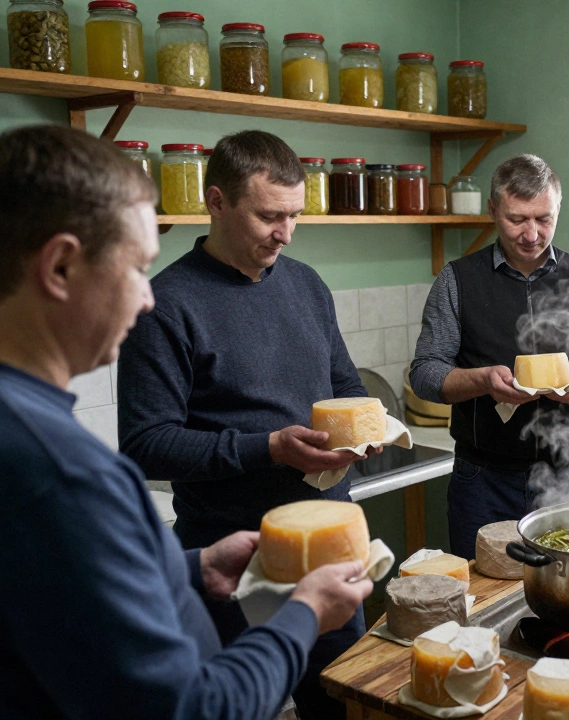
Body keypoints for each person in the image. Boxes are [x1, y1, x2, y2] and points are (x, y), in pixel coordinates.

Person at [0, 125, 372, 719]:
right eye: (135, 267)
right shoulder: (64, 474)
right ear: (60, 269)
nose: (148, 298)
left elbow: (48, 588)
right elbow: (193, 709)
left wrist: (189, 566)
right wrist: (302, 613)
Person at [118, 130, 375, 719]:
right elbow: (145, 446)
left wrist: (367, 433)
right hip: (228, 561)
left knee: (342, 703)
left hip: (330, 549)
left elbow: (348, 389)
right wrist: (270, 449)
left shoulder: (307, 284)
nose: (284, 234)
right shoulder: (166, 305)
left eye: (294, 217)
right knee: (233, 709)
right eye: (268, 217)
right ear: (216, 202)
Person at [409, 154, 569, 559]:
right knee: (484, 598)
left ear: (558, 210)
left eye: (544, 218)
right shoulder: (458, 280)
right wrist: (481, 381)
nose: (532, 234)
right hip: (484, 479)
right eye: (517, 219)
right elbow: (424, 374)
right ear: (493, 210)